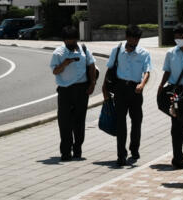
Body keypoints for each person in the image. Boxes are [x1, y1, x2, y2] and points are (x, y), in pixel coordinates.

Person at [102, 24, 151, 166]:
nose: (134, 42)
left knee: (136, 121)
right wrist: (104, 89)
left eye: (137, 39)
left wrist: (142, 84)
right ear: (126, 37)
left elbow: (147, 71)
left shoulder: (144, 53)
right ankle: (121, 154)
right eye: (131, 39)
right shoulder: (117, 51)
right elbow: (110, 68)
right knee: (120, 123)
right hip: (120, 89)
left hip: (135, 90)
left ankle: (134, 149)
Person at [50, 25, 98, 160]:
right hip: (65, 90)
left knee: (79, 121)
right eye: (68, 41)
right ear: (64, 40)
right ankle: (65, 151)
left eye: (73, 40)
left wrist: (92, 84)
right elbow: (55, 71)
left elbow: (91, 66)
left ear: (76, 39)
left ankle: (78, 149)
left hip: (82, 89)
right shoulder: (58, 53)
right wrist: (64, 64)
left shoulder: (84, 50)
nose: (71, 44)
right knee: (64, 121)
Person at [159, 23, 183, 168]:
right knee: (176, 125)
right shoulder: (170, 53)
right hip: (175, 92)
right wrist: (160, 86)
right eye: (176, 37)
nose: (177, 39)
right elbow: (167, 71)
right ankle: (177, 157)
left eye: (181, 37)